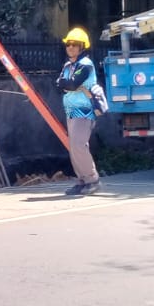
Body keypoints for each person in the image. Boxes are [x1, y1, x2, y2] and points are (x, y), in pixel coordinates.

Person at [57, 27, 107, 197]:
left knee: (79, 145)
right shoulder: (69, 65)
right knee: (74, 147)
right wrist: (68, 83)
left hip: (84, 110)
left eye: (74, 44)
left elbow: (69, 84)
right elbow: (58, 84)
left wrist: (68, 84)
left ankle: (92, 180)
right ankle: (82, 181)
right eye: (68, 44)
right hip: (71, 111)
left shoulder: (85, 65)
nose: (70, 47)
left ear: (82, 47)